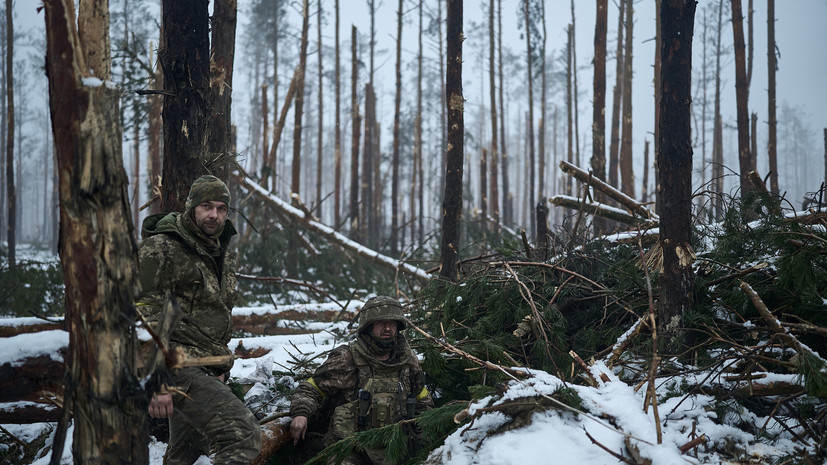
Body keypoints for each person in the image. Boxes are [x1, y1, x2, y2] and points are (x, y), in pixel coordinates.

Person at [137, 175, 261, 465]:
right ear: (191, 207)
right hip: (175, 365)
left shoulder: (222, 253)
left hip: (203, 366)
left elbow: (215, 313)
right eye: (207, 206)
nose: (214, 214)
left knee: (187, 454)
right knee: (244, 435)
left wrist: (216, 362)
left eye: (221, 208)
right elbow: (142, 317)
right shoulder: (160, 249)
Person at [290, 295, 433, 465]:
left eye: (392, 323)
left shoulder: (407, 361)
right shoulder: (347, 358)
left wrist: (428, 437)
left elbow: (422, 401)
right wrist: (301, 413)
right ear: (368, 326)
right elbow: (311, 388)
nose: (387, 328)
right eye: (381, 322)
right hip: (350, 448)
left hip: (396, 448)